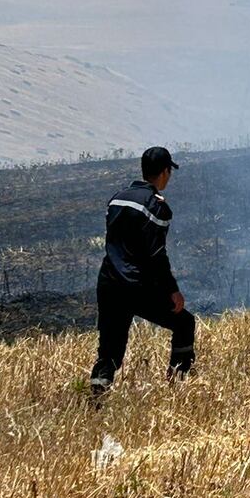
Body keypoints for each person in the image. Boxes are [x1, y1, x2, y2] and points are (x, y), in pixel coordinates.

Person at [89, 146, 195, 399]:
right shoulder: (156, 206)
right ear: (165, 172)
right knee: (184, 322)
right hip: (136, 285)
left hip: (108, 282)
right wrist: (172, 290)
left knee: (109, 351)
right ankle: (179, 386)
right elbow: (156, 255)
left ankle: (96, 400)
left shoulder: (118, 198)